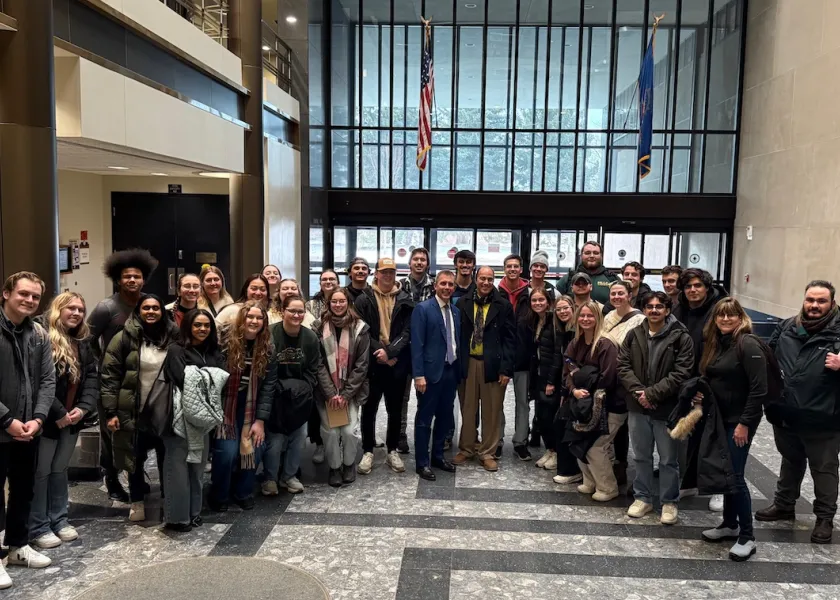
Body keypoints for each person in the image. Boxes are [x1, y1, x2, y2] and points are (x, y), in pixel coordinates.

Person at [757, 280, 840, 545]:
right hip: (786, 412)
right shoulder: (786, 327)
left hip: (823, 416)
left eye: (821, 301)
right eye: (810, 300)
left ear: (832, 303)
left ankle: (824, 518)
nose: (814, 305)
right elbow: (767, 358)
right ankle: (784, 505)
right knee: (790, 460)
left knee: (824, 469)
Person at [694, 298, 766, 561]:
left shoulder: (748, 344)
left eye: (731, 315)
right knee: (724, 472)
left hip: (739, 420)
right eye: (720, 315)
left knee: (735, 476)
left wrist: (744, 423)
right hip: (719, 418)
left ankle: (747, 536)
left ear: (740, 317)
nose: (725, 319)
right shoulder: (718, 343)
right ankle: (729, 524)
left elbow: (759, 389)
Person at [100, 294, 178, 523]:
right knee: (134, 459)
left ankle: (168, 502)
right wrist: (111, 412)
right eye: (146, 308)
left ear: (162, 312)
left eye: (156, 308)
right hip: (133, 410)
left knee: (167, 459)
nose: (151, 312)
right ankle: (137, 502)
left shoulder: (174, 337)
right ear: (138, 311)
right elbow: (110, 376)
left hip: (165, 411)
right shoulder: (123, 338)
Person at [618, 291, 693, 525]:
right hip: (638, 406)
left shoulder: (681, 337)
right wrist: (640, 393)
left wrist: (651, 394)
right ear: (644, 310)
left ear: (667, 310)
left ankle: (669, 502)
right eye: (649, 306)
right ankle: (643, 498)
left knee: (668, 459)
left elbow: (681, 372)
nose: (654, 310)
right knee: (641, 456)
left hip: (666, 408)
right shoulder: (634, 334)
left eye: (659, 306)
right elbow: (623, 366)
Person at [89, 248, 158, 502]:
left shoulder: (148, 304)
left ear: (144, 279)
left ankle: (136, 477)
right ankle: (112, 478)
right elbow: (88, 339)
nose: (132, 280)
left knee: (139, 433)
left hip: (142, 381)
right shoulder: (106, 308)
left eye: (136, 276)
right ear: (118, 280)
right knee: (113, 433)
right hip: (114, 383)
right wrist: (102, 363)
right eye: (127, 276)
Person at [30, 293, 97, 551]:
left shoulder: (82, 341)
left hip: (72, 419)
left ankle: (59, 520)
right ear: (58, 309)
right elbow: (37, 381)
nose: (77, 313)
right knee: (41, 472)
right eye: (71, 308)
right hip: (47, 420)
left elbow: (91, 377)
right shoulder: (39, 335)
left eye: (81, 309)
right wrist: (58, 413)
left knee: (59, 470)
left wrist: (83, 408)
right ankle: (38, 526)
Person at [0, 272, 55, 584]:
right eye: (23, 293)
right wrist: (7, 420)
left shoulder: (39, 334)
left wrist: (38, 418)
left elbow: (47, 380)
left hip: (28, 428)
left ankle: (18, 546)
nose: (30, 300)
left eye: (35, 296)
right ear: (6, 293)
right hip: (3, 426)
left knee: (23, 488)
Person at [163, 309, 227, 531]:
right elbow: (182, 379)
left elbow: (223, 379)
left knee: (197, 470)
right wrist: (208, 377)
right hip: (179, 418)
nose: (202, 329)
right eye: (197, 325)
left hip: (203, 419)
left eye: (206, 325)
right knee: (178, 470)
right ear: (188, 326)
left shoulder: (215, 351)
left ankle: (194, 512)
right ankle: (178, 518)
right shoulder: (176, 350)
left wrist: (201, 376)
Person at [210, 302, 276, 511]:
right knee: (227, 452)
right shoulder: (224, 343)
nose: (254, 321)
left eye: (259, 318)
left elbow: (268, 387)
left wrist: (260, 420)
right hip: (225, 405)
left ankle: (243, 492)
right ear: (242, 318)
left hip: (251, 406)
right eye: (250, 317)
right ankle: (219, 495)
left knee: (255, 446)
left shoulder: (268, 348)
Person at [670, 267, 726, 510]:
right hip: (687, 382)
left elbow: (725, 348)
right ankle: (690, 482)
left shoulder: (720, 310)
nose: (693, 290)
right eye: (688, 286)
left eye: (697, 286)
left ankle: (720, 489)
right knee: (691, 435)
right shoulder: (678, 310)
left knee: (715, 438)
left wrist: (706, 383)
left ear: (707, 287)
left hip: (714, 383)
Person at [355, 258, 414, 474]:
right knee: (369, 409)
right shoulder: (364, 299)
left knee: (395, 409)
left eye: (391, 272)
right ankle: (368, 450)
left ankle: (392, 450)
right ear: (376, 273)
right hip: (373, 363)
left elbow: (408, 332)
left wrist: (390, 353)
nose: (388, 276)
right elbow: (362, 330)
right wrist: (380, 352)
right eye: (384, 272)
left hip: (397, 363)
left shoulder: (405, 299)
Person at [454, 266, 515, 472]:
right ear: (476, 279)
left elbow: (510, 340)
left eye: (490, 279)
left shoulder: (503, 305)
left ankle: (487, 452)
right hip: (468, 362)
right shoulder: (463, 302)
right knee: (468, 408)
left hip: (493, 365)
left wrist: (506, 369)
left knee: (492, 410)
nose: (486, 283)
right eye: (482, 278)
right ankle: (467, 447)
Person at [564, 301, 623, 502]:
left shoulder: (606, 344)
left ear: (598, 318)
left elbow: (609, 377)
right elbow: (568, 368)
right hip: (583, 402)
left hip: (611, 405)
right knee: (580, 440)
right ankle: (590, 481)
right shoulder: (576, 342)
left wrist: (582, 380)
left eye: (590, 316)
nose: (585, 319)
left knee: (596, 446)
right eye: (582, 315)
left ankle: (607, 487)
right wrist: (574, 389)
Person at [262, 295, 321, 495]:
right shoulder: (270, 333)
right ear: (282, 312)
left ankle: (289, 476)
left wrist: (303, 390)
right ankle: (270, 478)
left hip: (299, 397)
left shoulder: (310, 338)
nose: (296, 315)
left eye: (300, 311)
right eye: (292, 311)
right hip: (275, 395)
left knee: (299, 435)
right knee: (276, 438)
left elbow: (314, 368)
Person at [314, 289, 370, 487]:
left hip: (350, 391)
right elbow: (318, 363)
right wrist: (331, 393)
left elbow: (362, 366)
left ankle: (348, 465)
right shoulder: (318, 327)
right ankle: (335, 468)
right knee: (330, 432)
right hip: (326, 392)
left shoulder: (360, 328)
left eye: (342, 301)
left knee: (348, 431)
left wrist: (345, 394)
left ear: (348, 303)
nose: (338, 305)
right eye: (334, 302)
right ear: (329, 304)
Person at [411, 271, 460, 481]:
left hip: (450, 371)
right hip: (430, 375)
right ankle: (422, 463)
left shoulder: (455, 311)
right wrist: (418, 375)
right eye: (443, 284)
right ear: (435, 286)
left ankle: (438, 456)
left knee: (445, 417)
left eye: (450, 284)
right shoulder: (423, 309)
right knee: (424, 419)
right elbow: (417, 344)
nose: (447, 287)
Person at [602, 281, 645, 486]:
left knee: (628, 426)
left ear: (629, 295)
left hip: (628, 379)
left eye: (621, 293)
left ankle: (625, 466)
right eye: (613, 294)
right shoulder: (609, 316)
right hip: (610, 376)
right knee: (612, 422)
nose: (617, 297)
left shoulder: (639, 320)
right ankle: (612, 463)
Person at [517, 290, 560, 469]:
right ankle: (550, 450)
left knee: (550, 416)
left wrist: (551, 381)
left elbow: (557, 353)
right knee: (541, 416)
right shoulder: (535, 321)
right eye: (534, 300)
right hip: (539, 374)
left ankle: (556, 452)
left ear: (548, 302)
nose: (538, 303)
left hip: (550, 376)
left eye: (541, 299)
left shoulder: (554, 322)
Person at [551, 295, 582, 484]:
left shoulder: (577, 331)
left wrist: (569, 388)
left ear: (573, 308)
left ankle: (572, 470)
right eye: (559, 309)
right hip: (567, 384)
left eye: (566, 308)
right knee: (560, 423)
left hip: (578, 385)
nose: (562, 312)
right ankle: (567, 469)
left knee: (564, 424)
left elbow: (573, 363)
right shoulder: (562, 331)